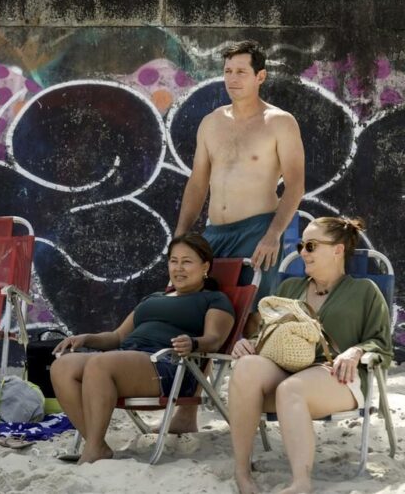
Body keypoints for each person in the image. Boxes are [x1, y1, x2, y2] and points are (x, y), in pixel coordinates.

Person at [228, 217, 393, 494]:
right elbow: (271, 337)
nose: (302, 251)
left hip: (337, 376)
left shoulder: (365, 291)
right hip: (286, 369)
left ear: (338, 250)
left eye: (312, 245)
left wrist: (356, 351)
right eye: (303, 245)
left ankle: (300, 483)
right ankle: (242, 473)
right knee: (245, 368)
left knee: (292, 388)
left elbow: (382, 344)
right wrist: (249, 345)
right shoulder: (289, 289)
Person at [50, 233, 235, 464]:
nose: (178, 268)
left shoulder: (214, 300)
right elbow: (117, 336)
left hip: (169, 365)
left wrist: (193, 342)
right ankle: (96, 444)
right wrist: (85, 338)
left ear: (205, 266)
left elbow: (215, 339)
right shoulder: (153, 298)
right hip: (125, 359)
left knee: (100, 363)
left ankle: (94, 448)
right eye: (173, 261)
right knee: (62, 367)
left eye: (187, 261)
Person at [174, 40, 305, 316]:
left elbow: (295, 186)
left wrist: (273, 235)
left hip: (256, 232)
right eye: (228, 71)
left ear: (260, 76)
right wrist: (181, 235)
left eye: (241, 72)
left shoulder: (280, 122)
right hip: (214, 233)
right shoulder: (211, 122)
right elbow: (198, 183)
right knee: (202, 312)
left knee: (249, 316)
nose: (232, 79)